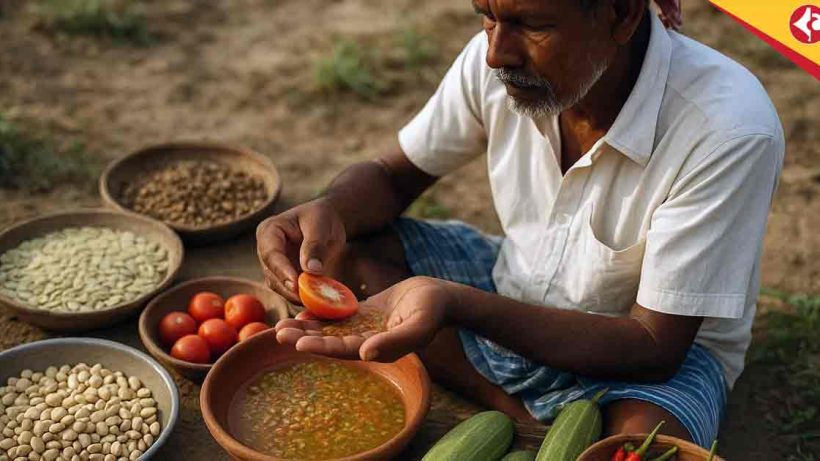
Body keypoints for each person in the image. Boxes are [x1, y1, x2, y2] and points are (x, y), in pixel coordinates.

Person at [256, 0, 783, 448]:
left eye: (533, 25)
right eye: (485, 15)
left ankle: (521, 413)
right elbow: (392, 177)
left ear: (622, 14)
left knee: (645, 443)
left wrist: (455, 304)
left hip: (645, 352)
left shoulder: (726, 130)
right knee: (347, 255)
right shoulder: (497, 63)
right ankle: (516, 412)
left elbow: (653, 346)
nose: (495, 53)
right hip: (516, 283)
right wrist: (331, 211)